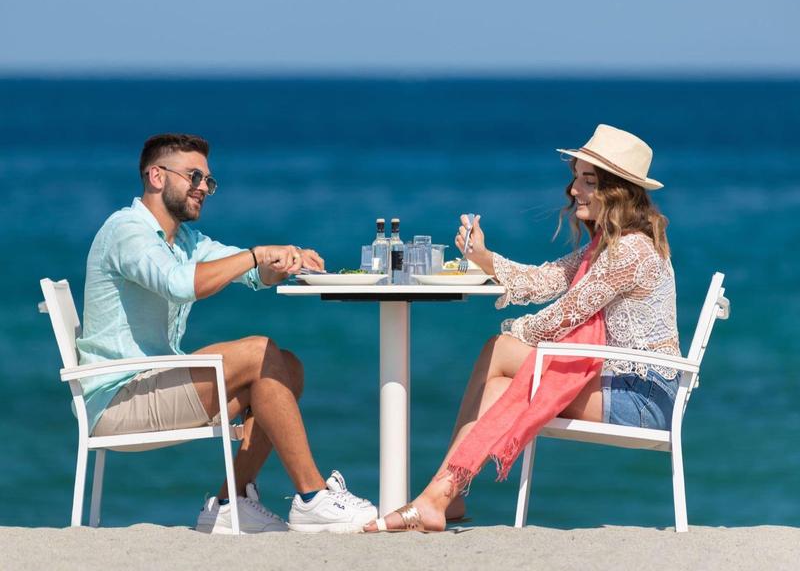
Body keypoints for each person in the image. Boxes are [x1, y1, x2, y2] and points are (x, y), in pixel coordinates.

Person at [366, 124, 680, 532]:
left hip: (643, 397)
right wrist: (481, 255)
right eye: (575, 178)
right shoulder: (606, 245)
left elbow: (564, 315)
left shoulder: (629, 251)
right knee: (498, 378)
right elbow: (543, 279)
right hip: (619, 381)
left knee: (499, 350)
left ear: (615, 190)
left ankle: (445, 495)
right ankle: (442, 497)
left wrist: (517, 334)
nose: (573, 190)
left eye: (588, 181)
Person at [77, 133, 377, 534]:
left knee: (287, 367)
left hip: (153, 385)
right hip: (119, 403)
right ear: (156, 176)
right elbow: (181, 284)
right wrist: (255, 253)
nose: (203, 188)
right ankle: (312, 496)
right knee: (259, 352)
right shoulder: (127, 231)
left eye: (208, 181)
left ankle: (229, 502)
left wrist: (278, 263)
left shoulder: (183, 240)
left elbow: (250, 273)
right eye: (194, 176)